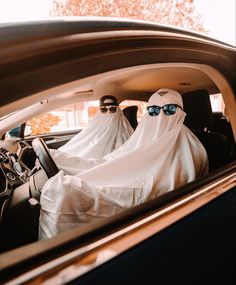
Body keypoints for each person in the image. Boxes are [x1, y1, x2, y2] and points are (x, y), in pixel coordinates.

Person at [39, 88, 208, 239]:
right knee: (68, 185)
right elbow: (113, 161)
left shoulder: (192, 148)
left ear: (181, 112)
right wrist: (61, 161)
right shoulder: (143, 135)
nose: (161, 115)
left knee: (62, 192)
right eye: (154, 110)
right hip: (132, 181)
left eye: (170, 109)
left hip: (149, 203)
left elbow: (166, 189)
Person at [55, 95, 134, 160]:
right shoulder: (95, 125)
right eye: (104, 110)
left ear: (118, 110)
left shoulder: (124, 127)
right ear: (100, 111)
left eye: (112, 109)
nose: (108, 112)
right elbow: (87, 141)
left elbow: (125, 147)